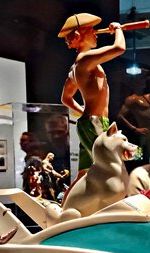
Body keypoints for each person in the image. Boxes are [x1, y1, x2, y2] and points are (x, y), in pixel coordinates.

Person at [59, 13, 125, 179]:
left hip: (90, 121)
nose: (96, 33)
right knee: (108, 169)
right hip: (95, 122)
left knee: (84, 173)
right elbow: (119, 48)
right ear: (78, 35)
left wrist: (83, 111)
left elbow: (65, 98)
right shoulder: (85, 59)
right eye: (91, 29)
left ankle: (69, 197)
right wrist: (118, 29)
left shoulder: (76, 67)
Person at [117, 71, 150, 162]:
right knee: (139, 158)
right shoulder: (131, 99)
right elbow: (120, 116)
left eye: (142, 81)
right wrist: (134, 129)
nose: (142, 83)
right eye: (139, 81)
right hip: (142, 134)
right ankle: (136, 167)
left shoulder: (147, 97)